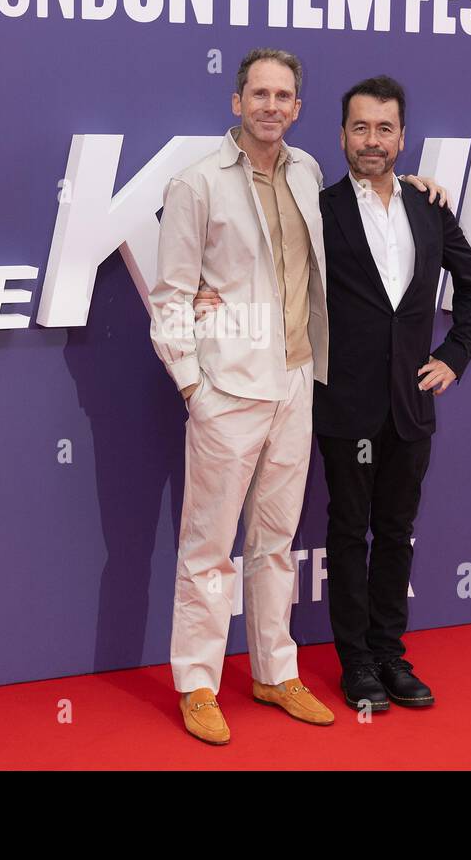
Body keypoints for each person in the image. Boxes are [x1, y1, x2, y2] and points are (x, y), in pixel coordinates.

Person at [149, 50, 448, 744]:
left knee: (276, 543)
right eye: (259, 94)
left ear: (298, 109)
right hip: (226, 389)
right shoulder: (196, 185)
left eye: (284, 96)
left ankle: (274, 671)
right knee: (207, 547)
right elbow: (169, 300)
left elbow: (364, 215)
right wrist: (194, 386)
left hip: (296, 382)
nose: (271, 106)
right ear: (236, 102)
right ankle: (197, 683)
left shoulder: (310, 172)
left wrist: (415, 188)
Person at [193, 74, 471, 714]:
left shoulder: (429, 207)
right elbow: (270, 270)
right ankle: (355, 661)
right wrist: (205, 293)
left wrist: (453, 358)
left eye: (385, 129)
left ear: (402, 138)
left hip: (411, 404)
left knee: (397, 531)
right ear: (341, 136)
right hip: (344, 403)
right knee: (349, 533)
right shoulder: (317, 208)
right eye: (360, 128)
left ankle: (391, 655)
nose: (372, 141)